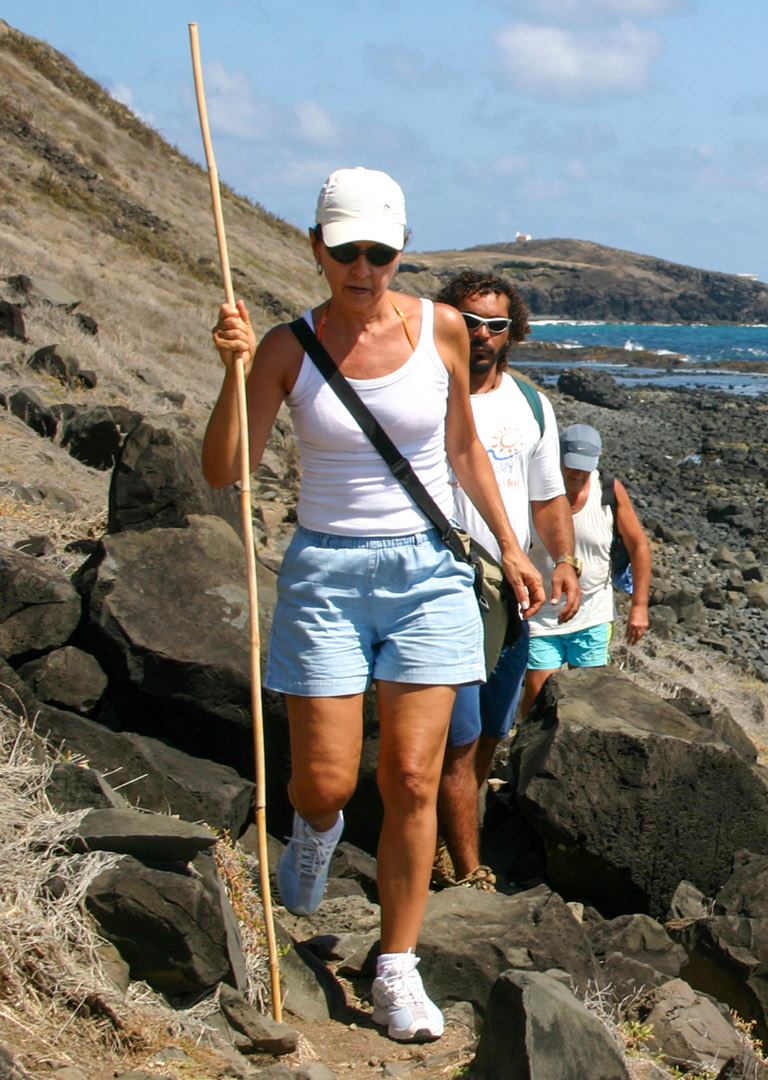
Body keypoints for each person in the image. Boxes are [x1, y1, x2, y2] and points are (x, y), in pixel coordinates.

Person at [202, 167, 541, 1043]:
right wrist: (234, 373)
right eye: (345, 250)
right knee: (322, 780)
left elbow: (463, 445)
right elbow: (223, 469)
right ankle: (316, 831)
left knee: (414, 776)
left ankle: (397, 966)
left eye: (379, 252)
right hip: (325, 575)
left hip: (430, 573)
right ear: (315, 248)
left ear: (401, 250)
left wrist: (507, 544)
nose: (362, 267)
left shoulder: (443, 331)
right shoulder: (287, 345)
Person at [433, 272, 580, 892]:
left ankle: (457, 838)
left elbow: (548, 498)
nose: (482, 336)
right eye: (470, 321)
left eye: (496, 325)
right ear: (446, 321)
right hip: (443, 586)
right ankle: (467, 869)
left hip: (514, 594)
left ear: (512, 333)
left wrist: (564, 561)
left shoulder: (530, 405)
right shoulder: (421, 393)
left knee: (493, 731)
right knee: (460, 740)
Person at [521, 424, 653, 709]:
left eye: (585, 467)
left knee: (590, 703)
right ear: (557, 455)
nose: (578, 475)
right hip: (541, 615)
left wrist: (639, 606)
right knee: (538, 700)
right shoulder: (531, 487)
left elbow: (639, 546)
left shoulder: (608, 490)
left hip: (593, 611)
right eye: (571, 467)